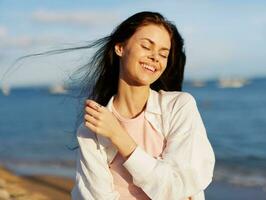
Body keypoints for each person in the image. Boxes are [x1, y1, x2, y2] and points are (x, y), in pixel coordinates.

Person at [71, 11, 215, 200]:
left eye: (163, 54)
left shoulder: (179, 107)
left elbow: (177, 186)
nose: (155, 57)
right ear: (120, 47)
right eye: (147, 46)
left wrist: (119, 136)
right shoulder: (93, 128)